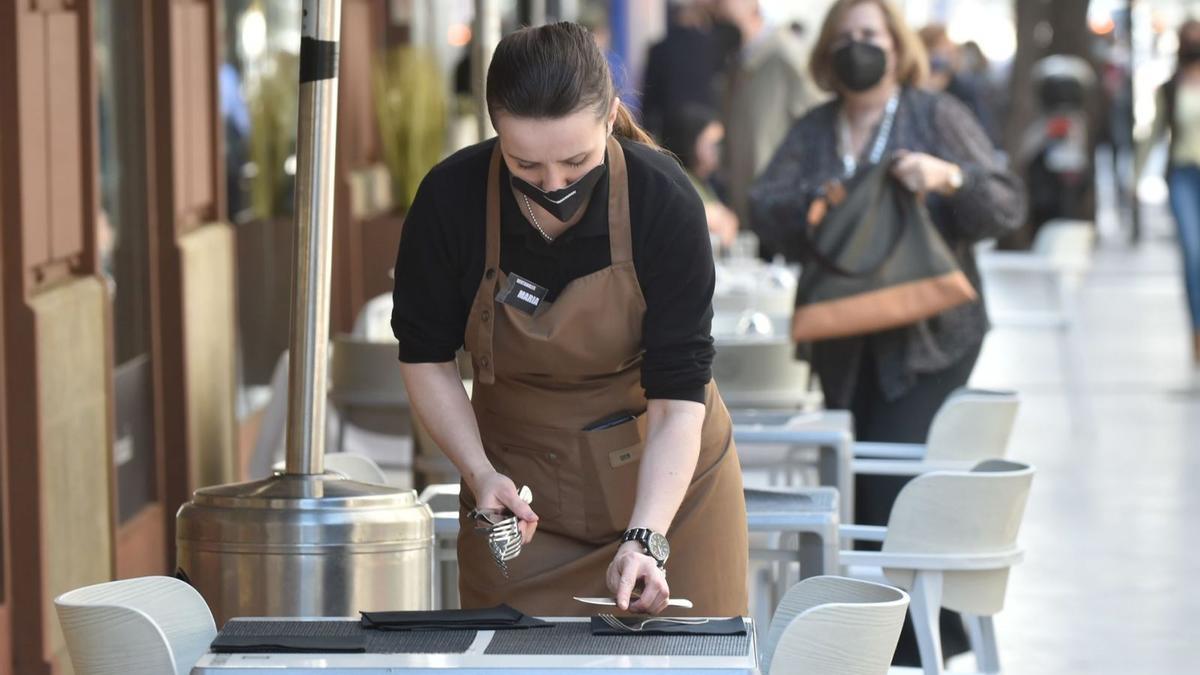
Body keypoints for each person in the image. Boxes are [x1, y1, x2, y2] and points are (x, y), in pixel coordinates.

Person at [391, 22, 748, 617]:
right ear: (495, 130)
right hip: (518, 497)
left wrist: (647, 538)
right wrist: (479, 474)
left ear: (610, 117)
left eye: (576, 162)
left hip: (669, 487)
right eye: (525, 166)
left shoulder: (662, 200)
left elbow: (677, 396)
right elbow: (424, 356)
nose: (553, 185)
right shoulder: (450, 200)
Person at [749, 0, 1024, 664]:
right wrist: (815, 201)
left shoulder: (935, 116)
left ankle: (911, 642)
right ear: (825, 53)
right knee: (857, 482)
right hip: (845, 344)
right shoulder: (815, 131)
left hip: (932, 339)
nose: (857, 46)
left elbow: (1005, 204)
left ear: (896, 46)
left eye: (869, 35)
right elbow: (763, 206)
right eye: (843, 37)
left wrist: (947, 176)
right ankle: (904, 638)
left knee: (886, 492)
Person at [712, 0, 817, 249]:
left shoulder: (785, 54)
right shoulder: (737, 62)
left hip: (781, 215)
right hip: (745, 212)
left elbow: (818, 122)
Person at [1146, 20, 1200, 383]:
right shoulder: (1169, 87)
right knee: (1193, 254)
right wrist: (1135, 180)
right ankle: (1197, 333)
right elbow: (1153, 133)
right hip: (1183, 174)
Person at [659, 104, 739, 249]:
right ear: (690, 141)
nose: (718, 150)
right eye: (712, 144)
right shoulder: (676, 181)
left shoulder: (707, 183)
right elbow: (708, 218)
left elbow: (730, 221)